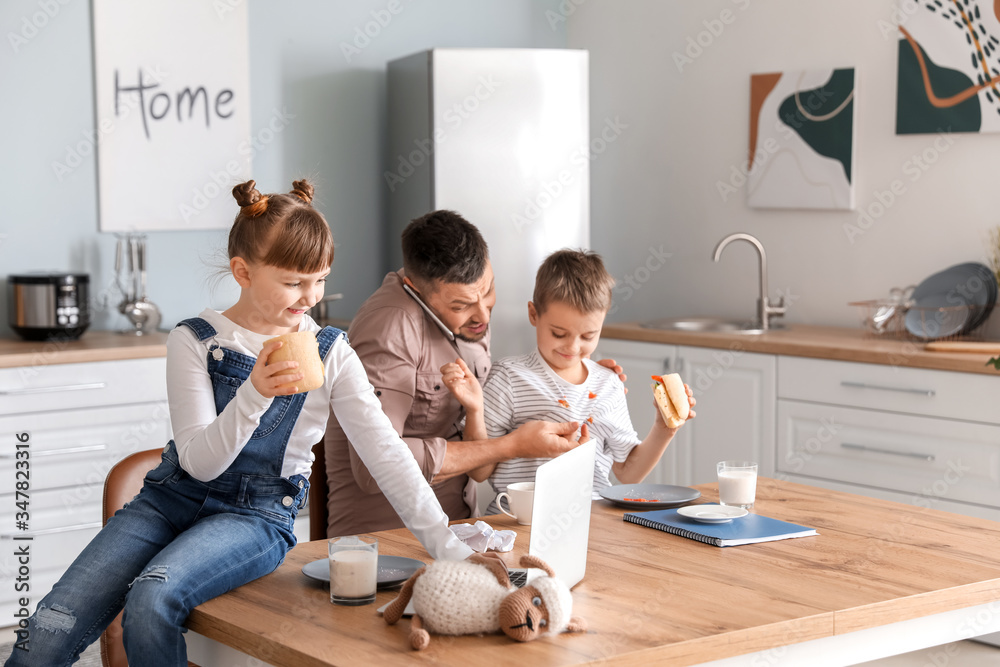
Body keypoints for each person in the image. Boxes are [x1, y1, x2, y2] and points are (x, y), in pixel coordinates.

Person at [5, 180, 484, 667]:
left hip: (256, 516)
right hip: (170, 498)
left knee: (151, 600)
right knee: (50, 623)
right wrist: (254, 392)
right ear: (243, 271)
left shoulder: (332, 352)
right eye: (294, 282)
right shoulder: (194, 341)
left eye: (319, 280)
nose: (309, 298)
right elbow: (200, 463)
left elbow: (386, 454)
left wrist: (446, 545)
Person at [324, 210, 603, 535]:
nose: (483, 315)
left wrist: (583, 374)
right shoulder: (390, 330)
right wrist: (509, 446)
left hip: (458, 529)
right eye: (460, 306)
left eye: (487, 291)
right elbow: (375, 466)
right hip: (386, 542)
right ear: (414, 288)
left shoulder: (471, 313)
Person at [441, 248, 696, 514]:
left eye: (588, 336)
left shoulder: (608, 384)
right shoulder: (509, 377)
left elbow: (628, 474)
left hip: (592, 525)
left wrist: (665, 428)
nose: (573, 347)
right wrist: (474, 409)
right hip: (518, 522)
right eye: (559, 333)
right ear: (533, 314)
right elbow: (480, 472)